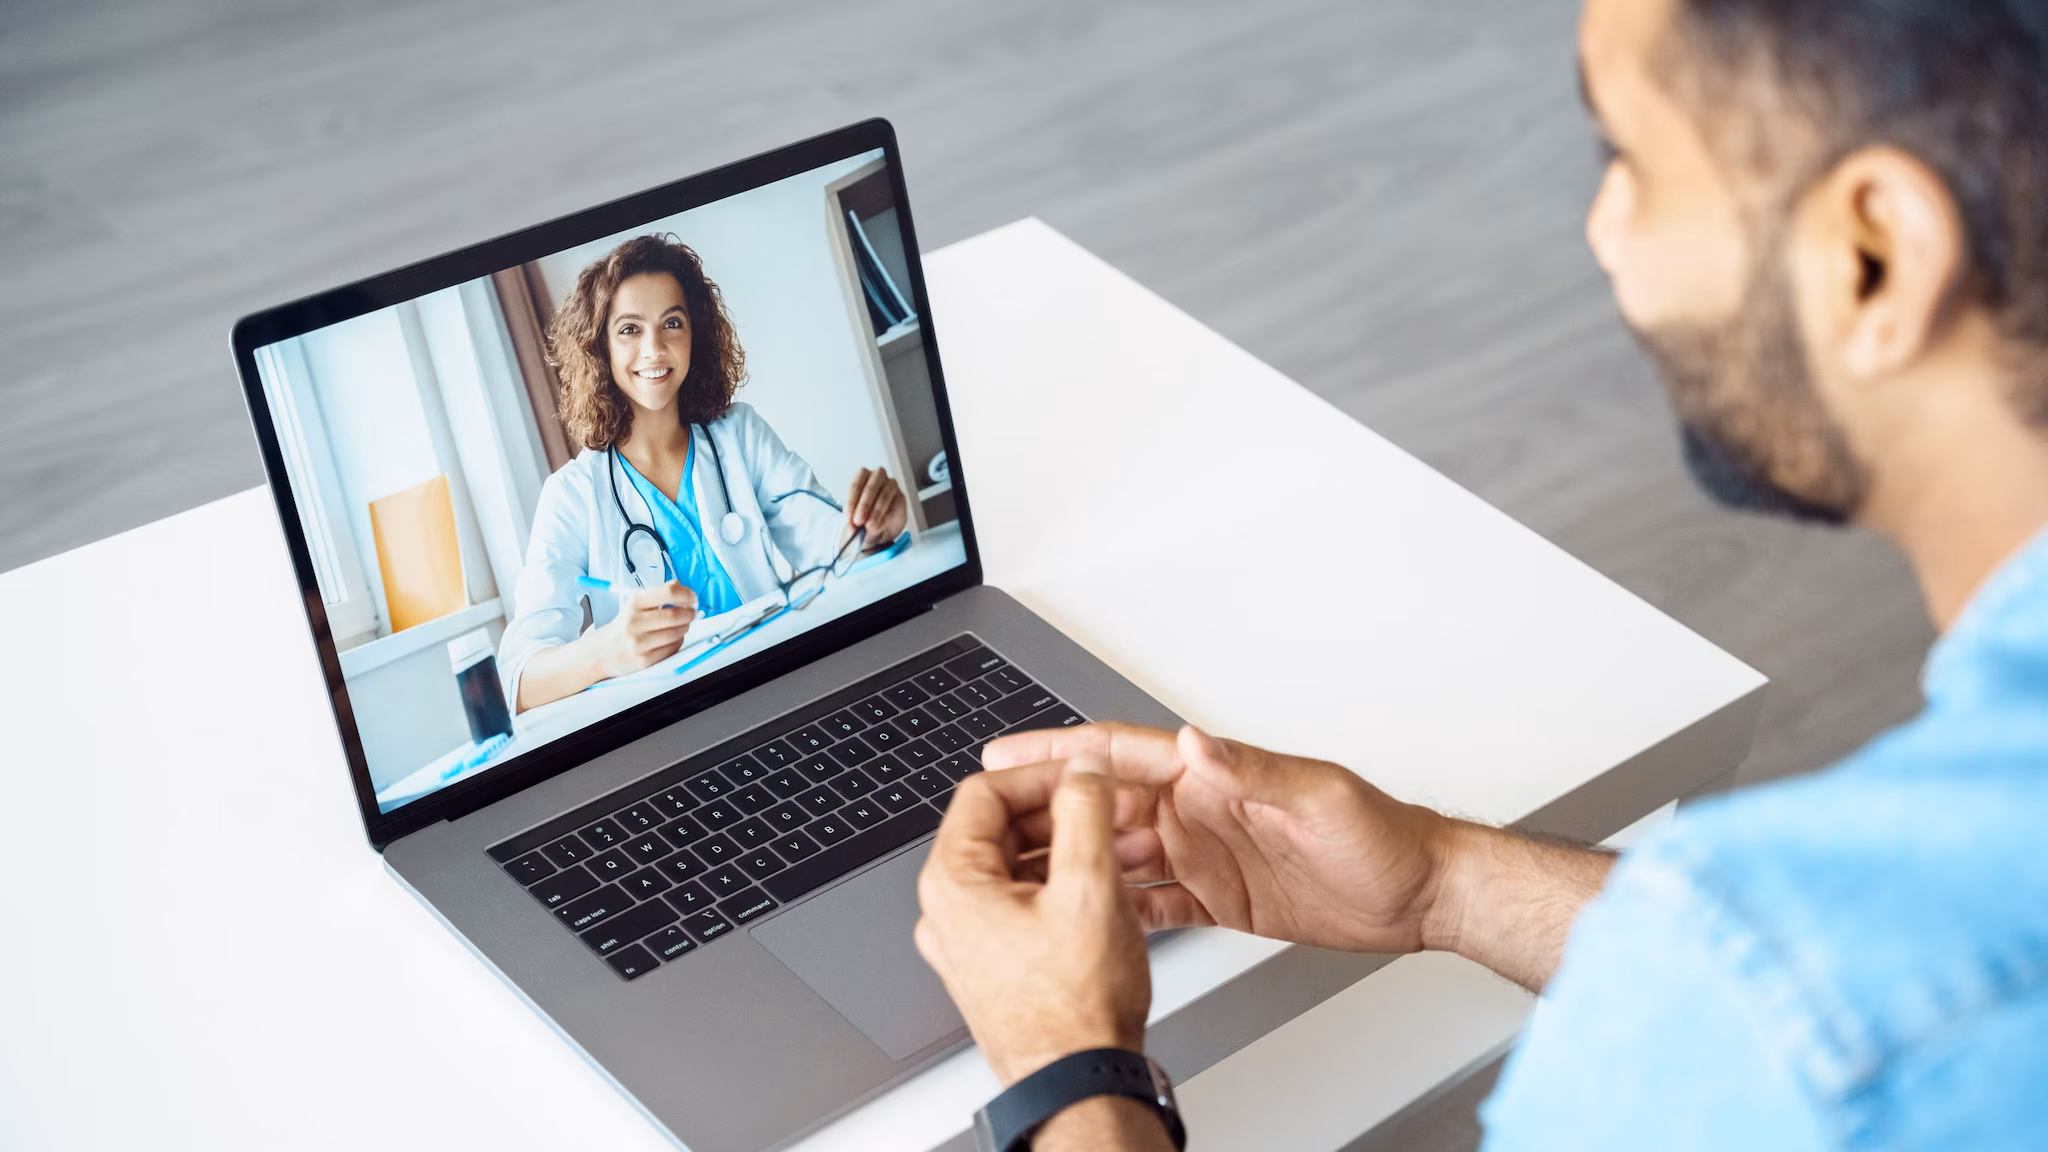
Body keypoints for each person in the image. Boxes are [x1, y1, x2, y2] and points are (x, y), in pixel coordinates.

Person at [914, 0, 2048, 1147]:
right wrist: (1442, 883)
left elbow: (1793, 1009)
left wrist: (1067, 1068)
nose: (1601, 231)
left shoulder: (1768, 1053)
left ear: (1875, 256)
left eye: (1630, 161)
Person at [499, 235, 908, 712]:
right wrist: (606, 651)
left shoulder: (741, 436)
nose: (654, 349)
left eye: (671, 323)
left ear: (697, 333)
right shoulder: (570, 495)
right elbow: (520, 679)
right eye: (630, 329)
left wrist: (874, 528)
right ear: (600, 347)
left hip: (783, 686)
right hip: (670, 726)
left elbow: (833, 545)